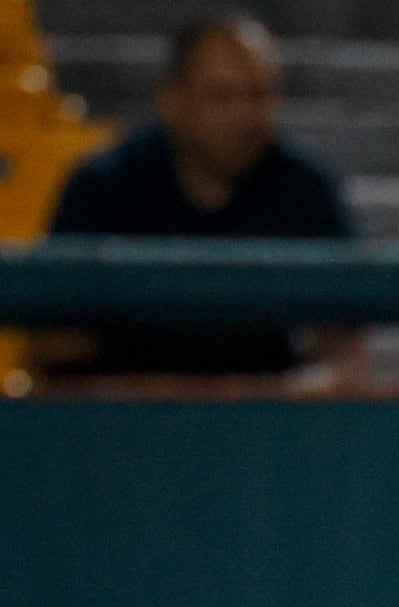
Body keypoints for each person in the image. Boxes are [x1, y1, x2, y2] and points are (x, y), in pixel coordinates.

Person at [42, 12, 357, 378]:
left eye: (259, 93)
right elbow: (53, 340)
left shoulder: (307, 188)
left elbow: (344, 345)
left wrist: (293, 397)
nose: (244, 114)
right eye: (221, 96)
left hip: (266, 419)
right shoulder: (104, 185)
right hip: (129, 420)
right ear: (172, 103)